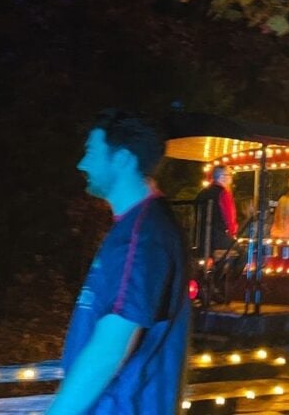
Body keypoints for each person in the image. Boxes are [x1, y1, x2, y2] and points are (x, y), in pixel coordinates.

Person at [48, 110, 188, 415]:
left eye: (91, 152)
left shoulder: (143, 235)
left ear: (123, 159)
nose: (81, 164)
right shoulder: (136, 226)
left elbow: (111, 348)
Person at [193, 165, 237, 255]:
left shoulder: (202, 193)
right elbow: (229, 217)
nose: (231, 177)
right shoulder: (223, 193)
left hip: (201, 238)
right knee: (244, 252)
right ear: (222, 177)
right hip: (218, 238)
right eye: (229, 174)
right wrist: (233, 233)